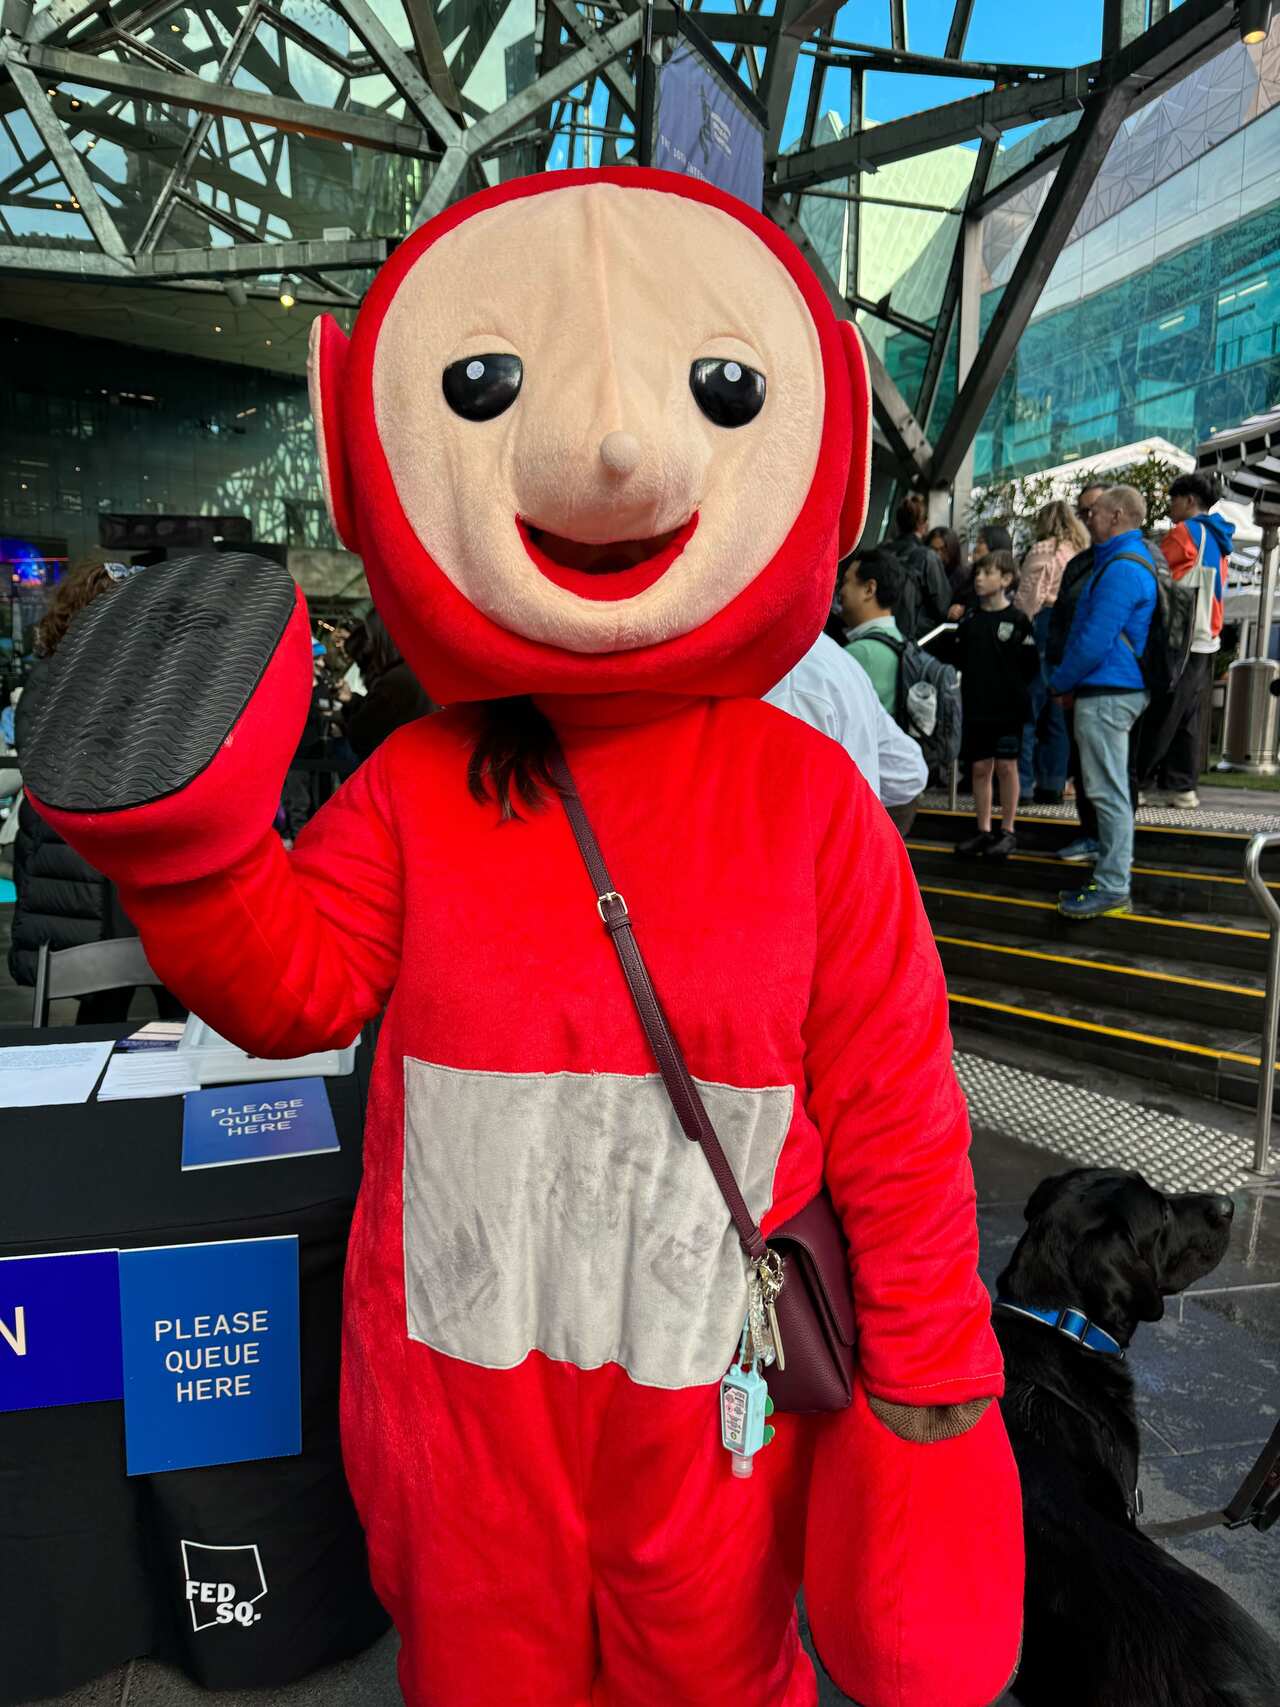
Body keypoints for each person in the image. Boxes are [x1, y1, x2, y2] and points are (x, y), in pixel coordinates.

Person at [23, 170, 1022, 1707]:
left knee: (714, 1674)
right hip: (462, 1398)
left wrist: (934, 1395)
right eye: (485, 386)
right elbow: (294, 987)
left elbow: (896, 1115)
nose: (613, 449)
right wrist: (197, 853)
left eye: (721, 390)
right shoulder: (419, 784)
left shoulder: (809, 801)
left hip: (714, 1394)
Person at [8, 557, 181, 1020]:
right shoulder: (66, 675)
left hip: (117, 856)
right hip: (92, 859)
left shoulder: (135, 671)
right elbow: (51, 762)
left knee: (161, 992)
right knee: (110, 991)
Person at [1050, 485, 1157, 919]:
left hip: (1109, 691)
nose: (1088, 518)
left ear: (1116, 515)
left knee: (1107, 791)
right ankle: (1111, 878)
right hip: (1112, 688)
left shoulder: (1122, 568)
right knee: (1108, 788)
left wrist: (1059, 681)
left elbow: (1094, 639)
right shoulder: (1125, 561)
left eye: (1094, 512)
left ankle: (1113, 885)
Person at [1136, 471, 1234, 810]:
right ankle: (1181, 786)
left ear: (1189, 500)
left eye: (1174, 499)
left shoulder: (1185, 533)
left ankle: (1138, 781)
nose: (1170, 506)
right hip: (1207, 634)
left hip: (1181, 636)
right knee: (1187, 716)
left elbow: (1157, 578)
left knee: (1161, 712)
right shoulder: (1219, 536)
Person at [765, 631, 928, 833]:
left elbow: (783, 824)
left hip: (821, 845)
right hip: (853, 840)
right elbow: (909, 772)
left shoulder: (785, 674)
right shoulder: (837, 657)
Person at [939, 550, 1037, 858]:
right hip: (977, 706)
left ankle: (1007, 829)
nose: (979, 579)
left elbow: (1030, 665)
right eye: (977, 573)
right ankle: (983, 829)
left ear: (1006, 579)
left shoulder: (1018, 620)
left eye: (987, 573)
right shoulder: (970, 620)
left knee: (1007, 766)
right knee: (980, 767)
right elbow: (956, 657)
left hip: (1008, 708)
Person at [1046, 481, 1106, 861]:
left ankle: (1110, 849)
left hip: (1112, 684)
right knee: (1084, 765)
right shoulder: (1080, 563)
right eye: (1082, 511)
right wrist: (1059, 675)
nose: (1088, 518)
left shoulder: (1129, 560)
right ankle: (1091, 834)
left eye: (1093, 510)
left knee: (1111, 773)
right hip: (1077, 680)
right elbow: (1061, 622)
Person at [1016, 500, 1090, 804]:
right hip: (1071, 626)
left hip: (1044, 622)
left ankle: (1022, 785)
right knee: (1058, 711)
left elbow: (1028, 595)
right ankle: (1053, 784)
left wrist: (1021, 624)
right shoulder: (1080, 551)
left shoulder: (1043, 550)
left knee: (1028, 709)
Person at [338, 610, 436, 760]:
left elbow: (361, 734)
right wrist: (353, 700)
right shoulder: (416, 670)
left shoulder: (396, 680)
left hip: (404, 761)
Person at [839, 546, 907, 714]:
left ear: (869, 589)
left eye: (846, 581)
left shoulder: (862, 653)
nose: (840, 590)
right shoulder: (899, 641)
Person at [883, 491, 951, 641]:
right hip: (910, 637)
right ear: (923, 525)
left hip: (877, 628)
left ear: (897, 523)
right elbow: (942, 606)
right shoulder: (927, 557)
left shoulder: (881, 552)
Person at [926, 525, 967, 598]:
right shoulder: (924, 575)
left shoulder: (963, 577)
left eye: (943, 550)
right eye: (933, 550)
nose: (938, 555)